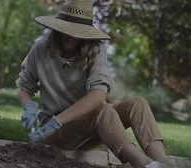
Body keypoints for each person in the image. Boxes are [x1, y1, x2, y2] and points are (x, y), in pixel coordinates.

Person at [16, 0, 172, 167]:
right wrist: (28, 106)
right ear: (57, 28)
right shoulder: (40, 50)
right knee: (102, 110)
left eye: (77, 32)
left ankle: (164, 163)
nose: (71, 37)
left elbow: (99, 94)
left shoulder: (95, 49)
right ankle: (143, 164)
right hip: (54, 133)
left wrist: (58, 120)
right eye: (66, 31)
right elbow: (23, 87)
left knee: (138, 104)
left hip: (86, 129)